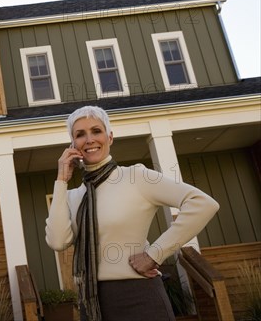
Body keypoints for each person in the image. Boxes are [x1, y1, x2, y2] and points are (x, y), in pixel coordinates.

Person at [45, 106, 219, 321]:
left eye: (96, 131)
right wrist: (61, 180)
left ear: (110, 137)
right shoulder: (71, 196)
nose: (89, 139)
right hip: (90, 304)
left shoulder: (136, 176)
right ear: (73, 145)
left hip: (139, 297)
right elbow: (58, 241)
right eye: (80, 134)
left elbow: (202, 203)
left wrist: (155, 254)